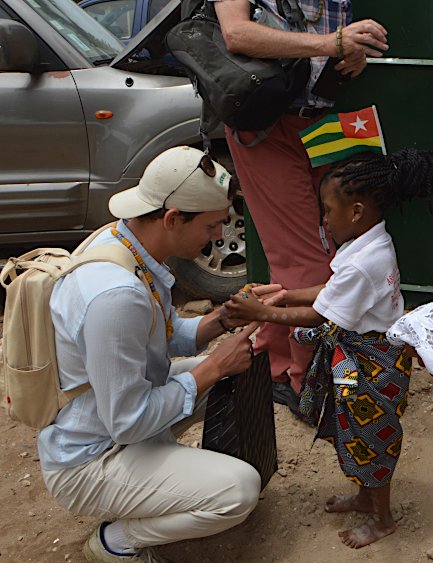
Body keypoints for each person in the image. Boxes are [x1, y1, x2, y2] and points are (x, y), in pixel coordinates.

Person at [38, 146, 268, 563]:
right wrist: (213, 367)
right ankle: (118, 542)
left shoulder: (126, 240)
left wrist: (225, 318)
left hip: (112, 421)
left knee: (224, 372)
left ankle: (174, 478)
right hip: (92, 460)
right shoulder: (116, 295)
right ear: (172, 218)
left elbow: (161, 337)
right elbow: (128, 422)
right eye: (212, 225)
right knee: (239, 492)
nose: (219, 236)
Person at [225, 149, 433, 548]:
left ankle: (382, 519)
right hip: (365, 358)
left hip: (371, 368)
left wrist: (262, 312)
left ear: (356, 211)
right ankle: (365, 497)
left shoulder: (364, 262)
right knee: (354, 434)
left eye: (327, 211)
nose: (323, 220)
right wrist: (285, 295)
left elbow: (318, 317)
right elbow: (331, 292)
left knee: (370, 439)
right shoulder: (369, 245)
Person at [212, 0, 390, 409]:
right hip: (265, 125)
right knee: (306, 259)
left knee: (315, 249)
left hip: (322, 121)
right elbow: (237, 34)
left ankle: (274, 365)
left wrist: (350, 50)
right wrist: (330, 43)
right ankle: (307, 386)